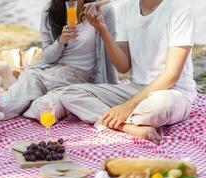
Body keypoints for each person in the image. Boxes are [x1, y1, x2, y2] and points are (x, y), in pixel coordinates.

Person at [60, 0, 197, 142]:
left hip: (172, 92)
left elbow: (171, 76)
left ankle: (108, 116)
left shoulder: (180, 11)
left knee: (163, 104)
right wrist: (102, 29)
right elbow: (123, 66)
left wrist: (127, 107)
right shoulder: (125, 9)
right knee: (69, 93)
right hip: (136, 90)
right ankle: (126, 127)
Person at [0, 0, 117, 120]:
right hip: (46, 73)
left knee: (41, 110)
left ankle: (28, 101)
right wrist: (60, 42)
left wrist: (112, 89)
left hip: (75, 82)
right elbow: (47, 58)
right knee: (4, 107)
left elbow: (111, 52)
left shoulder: (103, 10)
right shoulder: (50, 10)